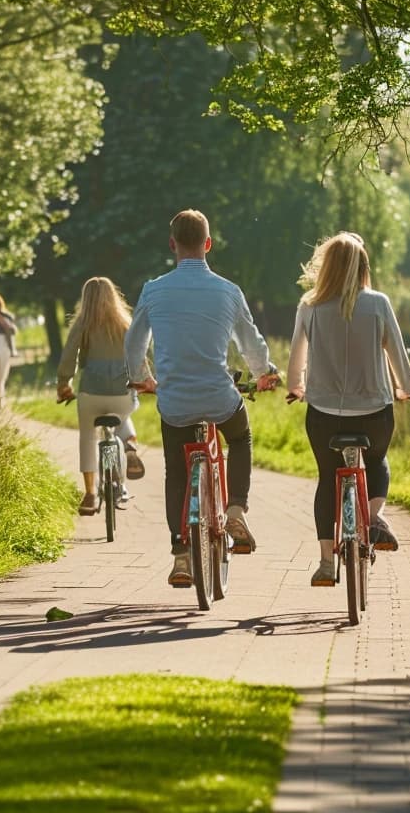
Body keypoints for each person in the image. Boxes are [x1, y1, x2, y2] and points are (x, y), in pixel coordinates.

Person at [124, 209, 282, 586]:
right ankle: (237, 508)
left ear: (172, 244)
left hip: (174, 403)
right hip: (218, 397)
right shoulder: (228, 291)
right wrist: (264, 374)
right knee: (240, 438)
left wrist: (142, 378)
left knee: (175, 471)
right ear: (208, 244)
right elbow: (250, 342)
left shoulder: (153, 289)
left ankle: (181, 555)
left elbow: (134, 343)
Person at [285, 232, 410, 586]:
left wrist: (295, 387)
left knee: (327, 479)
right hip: (374, 412)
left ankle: (326, 563)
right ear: (363, 268)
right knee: (376, 460)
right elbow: (397, 354)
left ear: (326, 267)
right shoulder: (377, 303)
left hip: (324, 414)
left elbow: (296, 356)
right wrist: (408, 389)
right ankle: (374, 518)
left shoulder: (309, 306)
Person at [56, 277, 148, 515]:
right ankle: (128, 444)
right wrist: (144, 380)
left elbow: (69, 357)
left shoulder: (82, 324)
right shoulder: (126, 324)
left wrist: (64, 384)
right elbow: (138, 356)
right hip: (121, 392)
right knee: (124, 412)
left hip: (91, 393)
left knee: (87, 437)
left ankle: (89, 494)